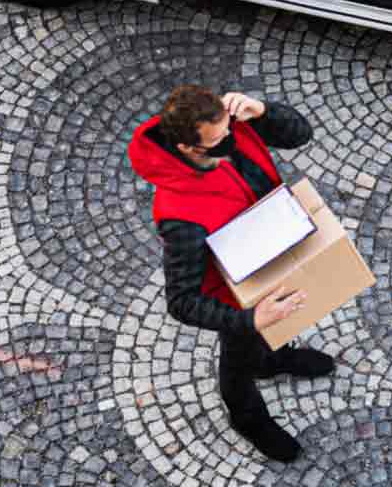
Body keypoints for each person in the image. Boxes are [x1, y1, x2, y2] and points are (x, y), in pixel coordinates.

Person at [127, 85, 335, 463]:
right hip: (234, 296)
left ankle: (270, 361)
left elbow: (300, 134)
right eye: (220, 140)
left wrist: (264, 112)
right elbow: (181, 302)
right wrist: (249, 318)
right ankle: (247, 417)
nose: (232, 139)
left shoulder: (232, 124)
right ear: (188, 149)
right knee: (238, 359)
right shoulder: (179, 216)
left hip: (272, 250)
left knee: (271, 331)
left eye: (230, 130)